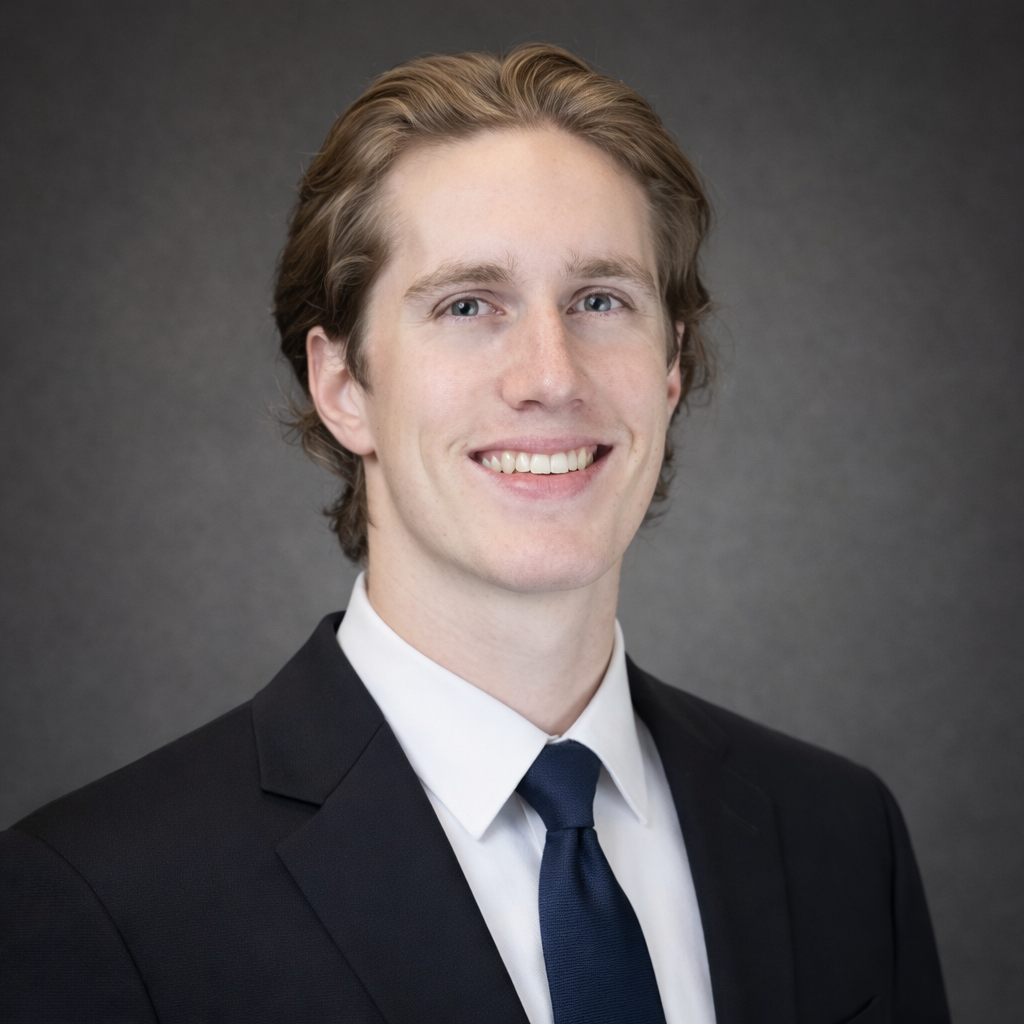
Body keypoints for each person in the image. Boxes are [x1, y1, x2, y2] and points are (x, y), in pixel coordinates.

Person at [0, 44, 949, 1024]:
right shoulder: (101, 897)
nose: (551, 373)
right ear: (342, 387)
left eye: (599, 300)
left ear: (669, 370)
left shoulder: (840, 836)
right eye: (466, 305)